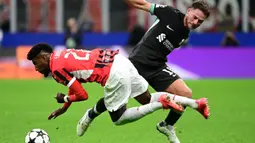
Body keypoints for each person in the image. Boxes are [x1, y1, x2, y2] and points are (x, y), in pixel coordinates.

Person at [82, 0, 211, 143]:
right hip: (137, 62)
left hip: (157, 66)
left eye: (200, 21)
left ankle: (167, 125)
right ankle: (91, 113)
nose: (196, 22)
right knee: (118, 99)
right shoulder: (170, 13)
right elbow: (142, 4)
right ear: (188, 11)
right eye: (195, 17)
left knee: (185, 93)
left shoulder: (185, 33)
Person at [27, 43, 209, 138]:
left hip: (112, 73)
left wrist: (65, 98)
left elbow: (82, 95)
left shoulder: (56, 69)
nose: (35, 68)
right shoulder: (59, 55)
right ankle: (195, 103)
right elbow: (75, 89)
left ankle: (161, 104)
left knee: (119, 119)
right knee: (146, 99)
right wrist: (64, 105)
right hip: (119, 59)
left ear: (44, 57)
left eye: (35, 63)